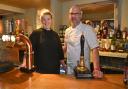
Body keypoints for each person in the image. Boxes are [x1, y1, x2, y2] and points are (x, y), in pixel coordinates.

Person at [63, 5, 103, 78]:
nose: (73, 16)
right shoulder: (67, 31)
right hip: (69, 70)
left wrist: (96, 69)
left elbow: (95, 49)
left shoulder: (87, 29)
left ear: (81, 15)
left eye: (76, 14)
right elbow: (65, 48)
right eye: (71, 14)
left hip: (83, 71)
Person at [22, 9, 66, 74]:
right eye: (44, 19)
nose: (46, 21)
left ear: (51, 20)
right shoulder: (36, 33)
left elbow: (60, 52)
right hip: (40, 69)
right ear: (41, 21)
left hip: (55, 69)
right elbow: (28, 50)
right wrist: (24, 63)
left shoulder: (55, 35)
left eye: (48, 19)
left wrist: (63, 64)